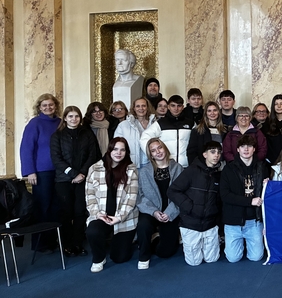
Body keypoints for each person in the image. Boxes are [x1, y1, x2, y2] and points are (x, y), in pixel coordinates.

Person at [50, 106, 101, 257]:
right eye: (70, 116)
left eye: (76, 116)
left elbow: (93, 155)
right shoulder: (57, 136)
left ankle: (77, 243)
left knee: (80, 212)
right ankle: (67, 245)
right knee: (66, 213)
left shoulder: (87, 133)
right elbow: (56, 159)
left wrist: (82, 173)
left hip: (83, 179)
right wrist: (73, 174)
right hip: (63, 180)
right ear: (65, 118)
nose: (74, 119)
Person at [84, 137, 139, 272]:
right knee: (92, 231)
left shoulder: (131, 169)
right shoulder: (94, 168)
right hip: (101, 215)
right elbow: (89, 195)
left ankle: (127, 240)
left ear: (126, 152)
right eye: (115, 149)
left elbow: (132, 198)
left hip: (123, 218)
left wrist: (119, 217)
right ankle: (99, 258)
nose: (118, 153)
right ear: (109, 150)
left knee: (120, 258)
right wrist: (97, 213)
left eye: (122, 150)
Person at [168, 141, 223, 266]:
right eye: (212, 152)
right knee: (194, 262)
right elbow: (172, 191)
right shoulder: (191, 171)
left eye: (219, 152)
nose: (216, 155)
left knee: (212, 259)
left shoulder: (219, 175)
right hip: (190, 223)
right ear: (205, 154)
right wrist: (189, 207)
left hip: (210, 224)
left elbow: (220, 200)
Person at [20, 93, 62, 251]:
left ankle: (53, 240)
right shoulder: (35, 123)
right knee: (42, 207)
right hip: (41, 172)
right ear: (39, 107)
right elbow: (26, 149)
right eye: (44, 105)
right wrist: (30, 171)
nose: (48, 107)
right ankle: (40, 244)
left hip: (59, 171)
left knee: (56, 207)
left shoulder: (60, 122)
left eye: (51, 104)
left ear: (55, 106)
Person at [135, 138, 184, 269]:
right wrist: (154, 212)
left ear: (165, 148)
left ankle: (156, 237)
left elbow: (182, 195)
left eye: (160, 147)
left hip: (171, 212)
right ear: (150, 155)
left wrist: (169, 213)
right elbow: (140, 197)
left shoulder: (178, 168)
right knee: (143, 226)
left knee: (165, 252)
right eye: (153, 150)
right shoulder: (144, 172)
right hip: (151, 211)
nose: (158, 152)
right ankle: (144, 256)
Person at [220, 134, 267, 263]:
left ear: (254, 149)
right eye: (242, 146)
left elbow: (270, 190)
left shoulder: (262, 167)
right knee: (233, 258)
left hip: (254, 221)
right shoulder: (228, 169)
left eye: (249, 146)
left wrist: (267, 184)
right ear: (238, 149)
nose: (246, 149)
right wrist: (250, 201)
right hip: (233, 221)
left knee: (256, 257)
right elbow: (224, 195)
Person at [140, 95, 194, 167]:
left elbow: (196, 143)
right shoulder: (160, 123)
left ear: (182, 107)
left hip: (186, 165)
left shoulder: (191, 123)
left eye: (179, 106)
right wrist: (152, 154)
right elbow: (145, 137)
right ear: (168, 107)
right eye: (173, 105)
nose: (176, 108)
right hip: (167, 166)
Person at [115, 97, 157, 168]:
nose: (141, 108)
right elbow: (116, 146)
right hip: (130, 164)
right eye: (138, 106)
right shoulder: (123, 125)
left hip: (151, 164)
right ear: (134, 108)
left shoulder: (155, 124)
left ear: (147, 107)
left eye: (143, 106)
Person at [187, 101, 228, 166]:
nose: (212, 113)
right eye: (209, 111)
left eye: (215, 110)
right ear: (205, 113)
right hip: (203, 166)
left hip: (222, 166)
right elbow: (191, 152)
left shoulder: (225, 130)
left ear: (219, 112)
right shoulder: (197, 130)